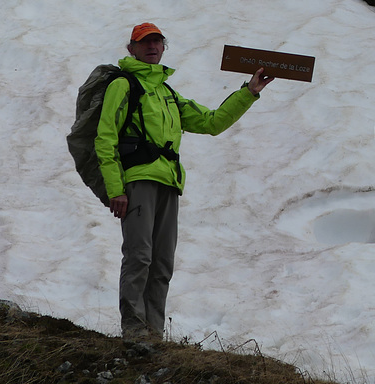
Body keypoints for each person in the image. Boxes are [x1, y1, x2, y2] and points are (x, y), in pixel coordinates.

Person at [95, 22, 273, 341]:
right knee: (139, 256)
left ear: (164, 48)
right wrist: (115, 189)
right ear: (131, 49)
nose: (152, 46)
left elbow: (211, 122)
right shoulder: (122, 85)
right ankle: (134, 331)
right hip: (137, 181)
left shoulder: (167, 93)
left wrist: (249, 92)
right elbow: (105, 137)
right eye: (144, 42)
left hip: (169, 184)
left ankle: (154, 334)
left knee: (161, 262)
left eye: (157, 41)